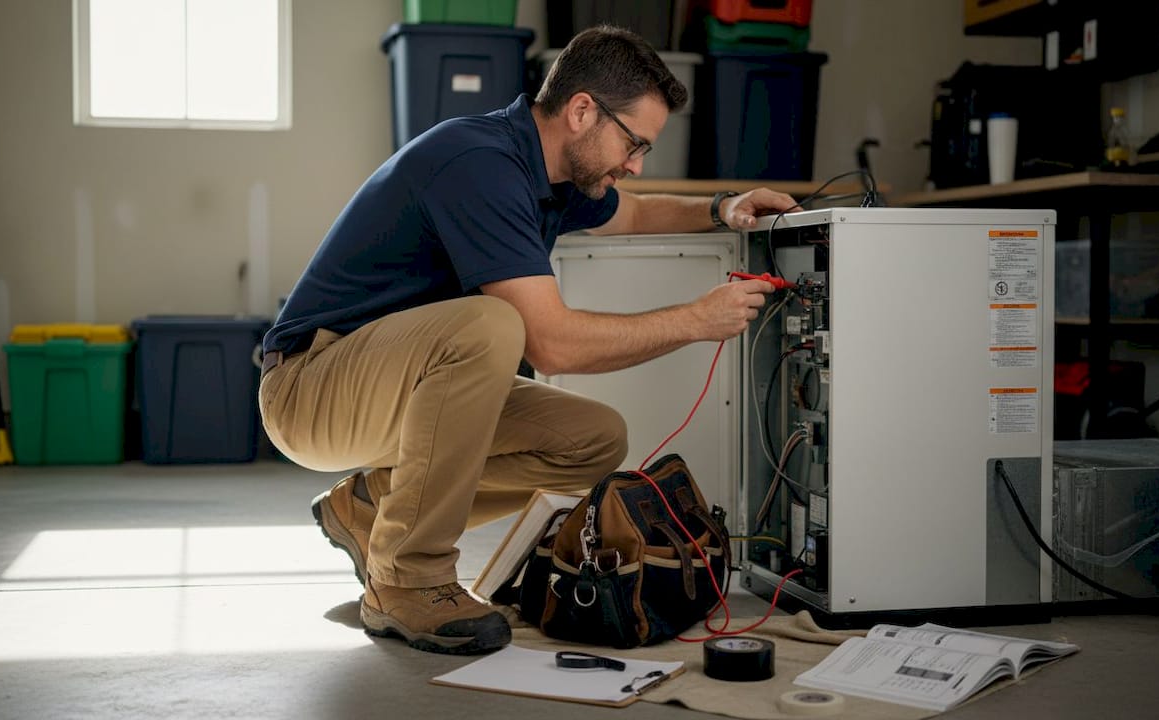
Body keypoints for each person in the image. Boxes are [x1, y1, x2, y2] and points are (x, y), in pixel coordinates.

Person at [259, 25, 797, 656]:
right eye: (635, 143)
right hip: (308, 389)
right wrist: (695, 320)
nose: (635, 164)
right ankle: (407, 578)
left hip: (388, 386)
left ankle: (370, 510)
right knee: (491, 324)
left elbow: (633, 212)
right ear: (581, 111)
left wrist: (724, 207)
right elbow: (551, 346)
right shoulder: (479, 163)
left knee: (593, 439)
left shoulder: (556, 177)